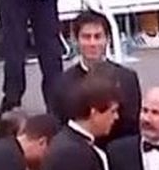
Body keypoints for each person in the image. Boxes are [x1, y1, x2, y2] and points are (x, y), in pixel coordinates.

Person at [52, 11, 143, 143]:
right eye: (86, 37)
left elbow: (132, 128)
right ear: (75, 40)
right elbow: (59, 127)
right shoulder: (62, 83)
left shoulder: (127, 79)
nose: (92, 43)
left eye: (98, 36)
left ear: (107, 40)